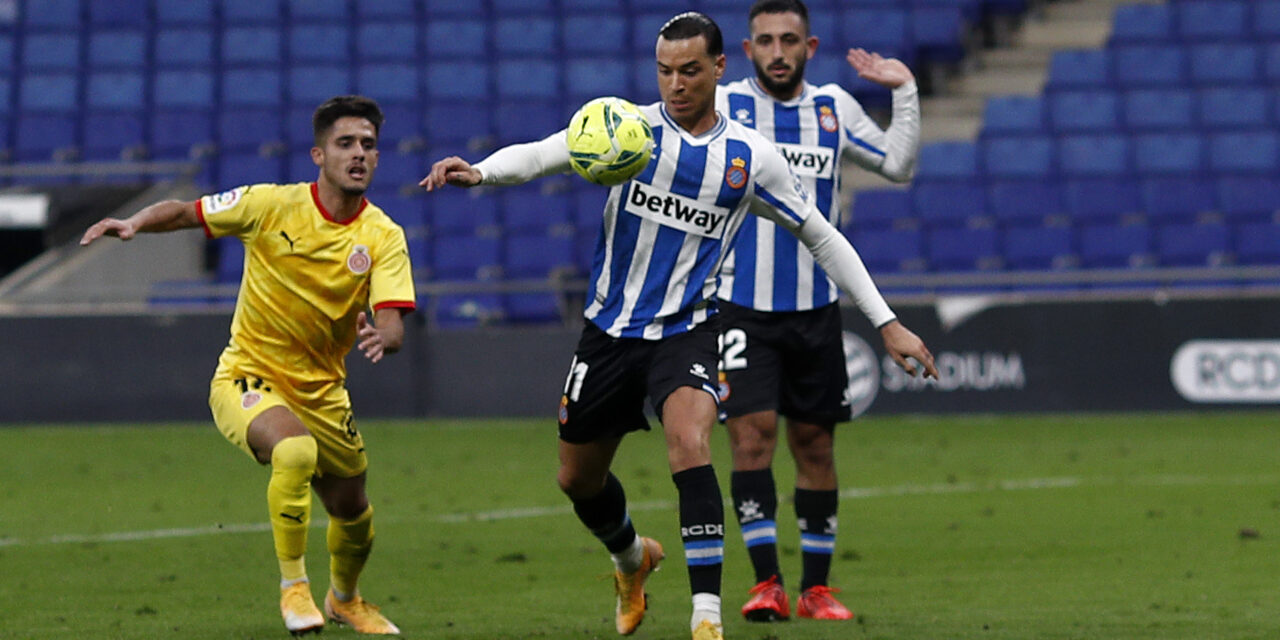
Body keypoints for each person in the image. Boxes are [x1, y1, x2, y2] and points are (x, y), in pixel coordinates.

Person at [420, 12, 936, 640]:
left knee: (691, 445)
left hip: (687, 329)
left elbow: (822, 237)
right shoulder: (626, 129)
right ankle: (633, 558)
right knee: (576, 478)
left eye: (689, 70)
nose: (675, 83)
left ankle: (707, 619)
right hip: (609, 331)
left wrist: (887, 323)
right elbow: (543, 154)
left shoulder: (749, 158)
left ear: (720, 68)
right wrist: (481, 172)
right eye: (664, 71)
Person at [80, 95, 413, 636]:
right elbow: (190, 213)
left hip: (324, 391)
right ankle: (294, 589)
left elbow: (394, 320)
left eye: (369, 145)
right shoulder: (269, 205)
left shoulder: (383, 235)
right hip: (247, 375)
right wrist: (135, 222)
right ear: (318, 155)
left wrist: (386, 339)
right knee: (295, 451)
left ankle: (345, 599)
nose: (359, 154)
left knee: (355, 513)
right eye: (345, 143)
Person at [714, 0, 922, 623]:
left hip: (814, 309)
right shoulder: (725, 106)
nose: (778, 51)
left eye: (790, 40)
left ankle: (817, 590)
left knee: (814, 444)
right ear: (747, 51)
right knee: (751, 439)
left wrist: (906, 91)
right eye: (766, 41)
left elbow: (898, 165)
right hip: (738, 304)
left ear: (812, 46)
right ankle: (765, 584)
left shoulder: (832, 108)